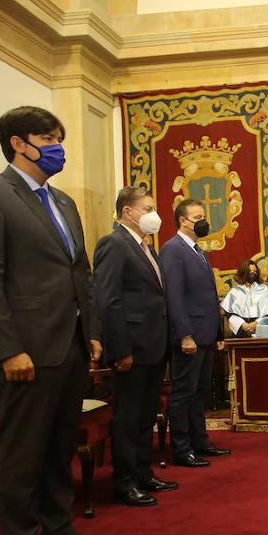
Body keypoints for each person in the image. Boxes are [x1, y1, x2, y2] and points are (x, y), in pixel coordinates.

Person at [0, 106, 118, 535]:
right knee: (23, 454)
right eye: (47, 137)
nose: (57, 146)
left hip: (67, 345)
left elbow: (80, 272)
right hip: (24, 349)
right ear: (17, 144)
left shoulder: (64, 203)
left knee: (58, 447)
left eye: (58, 136)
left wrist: (90, 331)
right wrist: (7, 349)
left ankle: (60, 532)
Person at [92, 186, 178, 508]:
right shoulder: (113, 244)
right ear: (128, 212)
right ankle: (125, 482)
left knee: (144, 415)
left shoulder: (145, 247)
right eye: (148, 208)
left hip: (153, 345)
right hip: (132, 348)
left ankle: (144, 473)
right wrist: (121, 349)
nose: (154, 214)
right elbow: (109, 300)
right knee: (128, 418)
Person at [160, 198, 233, 467]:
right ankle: (181, 449)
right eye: (198, 216)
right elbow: (175, 296)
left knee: (199, 391)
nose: (204, 220)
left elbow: (209, 296)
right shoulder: (172, 250)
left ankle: (200, 442)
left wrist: (217, 333)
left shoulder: (198, 251)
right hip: (189, 336)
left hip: (205, 334)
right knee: (183, 393)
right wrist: (185, 335)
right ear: (183, 221)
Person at [222, 259, 268, 336]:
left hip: (261, 330)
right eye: (250, 271)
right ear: (244, 272)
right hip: (241, 331)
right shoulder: (234, 291)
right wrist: (243, 325)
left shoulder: (264, 289)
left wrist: (256, 324)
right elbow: (230, 314)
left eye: (255, 271)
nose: (253, 273)